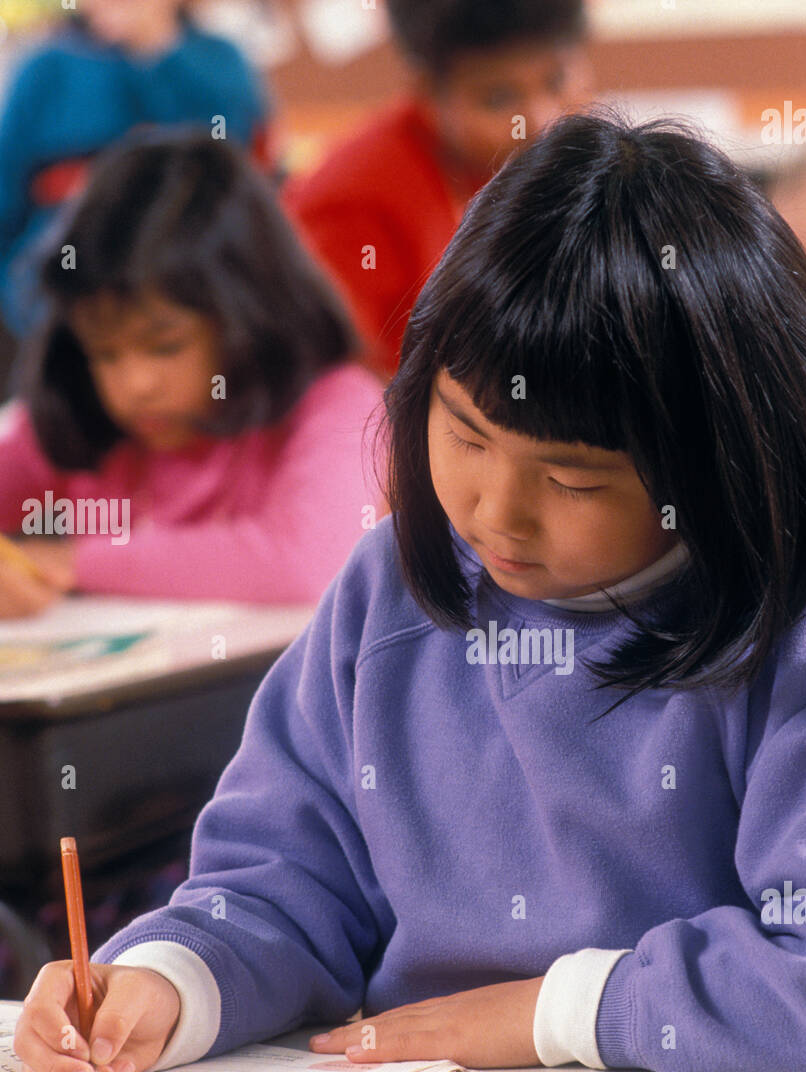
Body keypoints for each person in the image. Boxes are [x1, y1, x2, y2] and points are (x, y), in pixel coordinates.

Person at [15, 114, 806, 1072]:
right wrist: (166, 986)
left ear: (711, 461)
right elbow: (280, 884)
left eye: (572, 479)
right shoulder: (388, 594)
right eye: (462, 432)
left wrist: (552, 1011)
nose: (495, 513)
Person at [0, 130, 383, 614]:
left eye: (166, 347)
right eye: (104, 354)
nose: (135, 384)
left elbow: (306, 561)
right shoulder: (81, 419)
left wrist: (70, 562)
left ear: (250, 316)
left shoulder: (339, 403)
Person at [285, 0, 591, 379]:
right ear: (428, 92)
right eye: (498, 98)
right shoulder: (351, 206)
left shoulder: (552, 162)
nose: (541, 120)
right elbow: (354, 398)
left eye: (556, 80)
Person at [0, 0, 270, 344]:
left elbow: (238, 169)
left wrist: (155, 49)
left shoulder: (218, 61)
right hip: (61, 308)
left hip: (195, 292)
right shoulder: (46, 69)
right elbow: (5, 201)